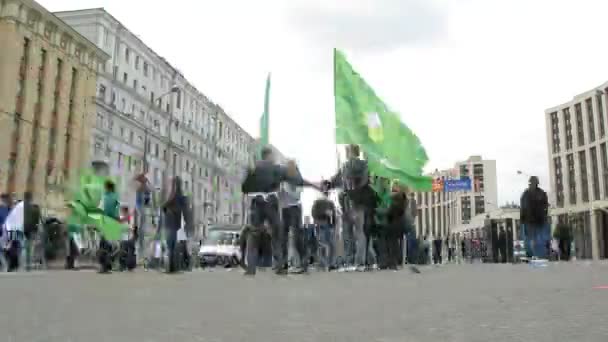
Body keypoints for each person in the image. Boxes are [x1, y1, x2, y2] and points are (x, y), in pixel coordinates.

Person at [240, 147, 318, 276]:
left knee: (254, 234)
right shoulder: (277, 168)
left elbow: (244, 188)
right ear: (269, 156)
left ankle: (251, 268)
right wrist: (315, 185)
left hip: (257, 202)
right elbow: (296, 180)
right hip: (271, 202)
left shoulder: (254, 168)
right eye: (273, 156)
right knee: (277, 234)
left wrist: (251, 178)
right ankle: (279, 266)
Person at [326, 144, 376, 272]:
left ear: (351, 152)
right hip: (350, 203)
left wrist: (329, 185)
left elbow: (361, 181)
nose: (346, 154)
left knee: (355, 233)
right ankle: (362, 261)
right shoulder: (352, 166)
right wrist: (328, 184)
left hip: (354, 202)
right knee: (354, 233)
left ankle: (357, 262)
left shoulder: (356, 165)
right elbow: (336, 181)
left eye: (347, 151)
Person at [280, 175, 308, 273]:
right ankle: (283, 263)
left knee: (297, 237)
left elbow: (296, 196)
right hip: (284, 209)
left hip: (295, 208)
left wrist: (286, 188)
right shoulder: (282, 181)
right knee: (283, 237)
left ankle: (302, 263)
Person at [162, 176, 189, 274]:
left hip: (170, 225)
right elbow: (185, 212)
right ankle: (174, 267)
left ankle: (170, 268)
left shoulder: (172, 196)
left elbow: (163, 207)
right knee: (175, 248)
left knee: (170, 248)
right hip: (177, 226)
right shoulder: (182, 197)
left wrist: (167, 211)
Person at [520, 176, 549, 258]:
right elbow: (523, 208)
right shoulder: (539, 193)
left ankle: (536, 254)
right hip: (532, 221)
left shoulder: (527, 193)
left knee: (534, 239)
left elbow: (523, 208)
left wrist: (522, 219)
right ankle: (533, 254)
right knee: (533, 239)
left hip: (535, 221)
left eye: (532, 183)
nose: (531, 185)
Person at [311, 191, 337, 271]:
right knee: (323, 244)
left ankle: (329, 263)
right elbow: (314, 213)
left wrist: (334, 225)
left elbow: (334, 214)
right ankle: (325, 263)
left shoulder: (330, 203)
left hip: (329, 225)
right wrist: (324, 213)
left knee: (330, 245)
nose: (326, 194)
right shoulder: (317, 202)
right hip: (321, 224)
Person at [98, 180, 120, 273]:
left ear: (107, 187)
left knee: (104, 245)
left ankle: (105, 266)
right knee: (112, 245)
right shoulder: (116, 197)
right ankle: (109, 264)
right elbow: (117, 210)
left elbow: (100, 210)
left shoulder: (104, 197)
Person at [23, 192, 42, 271]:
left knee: (24, 247)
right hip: (32, 229)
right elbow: (38, 219)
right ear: (31, 198)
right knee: (31, 247)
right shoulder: (34, 208)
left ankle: (25, 263)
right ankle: (29, 264)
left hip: (23, 229)